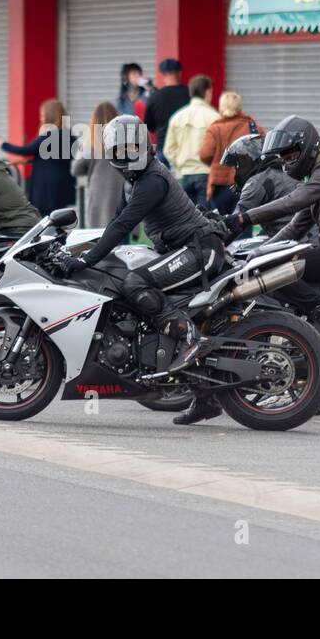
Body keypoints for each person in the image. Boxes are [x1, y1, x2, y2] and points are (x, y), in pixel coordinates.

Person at [53, 115, 228, 427]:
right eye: (120, 149)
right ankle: (205, 397)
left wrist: (86, 260)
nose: (126, 154)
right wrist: (73, 249)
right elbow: (114, 222)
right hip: (181, 250)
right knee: (122, 276)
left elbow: (122, 226)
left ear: (145, 144)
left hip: (198, 250)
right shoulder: (132, 182)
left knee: (135, 282)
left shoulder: (152, 180)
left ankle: (189, 338)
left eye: (132, 146)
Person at [224, 116, 320, 284]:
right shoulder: (314, 180)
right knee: (267, 263)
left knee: (280, 271)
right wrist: (258, 253)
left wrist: (244, 217)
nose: (287, 164)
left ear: (307, 147)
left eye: (291, 157)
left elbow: (292, 201)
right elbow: (294, 229)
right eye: (284, 159)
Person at [0, 98, 76, 216]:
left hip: (46, 187)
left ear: (50, 116)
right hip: (63, 185)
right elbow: (55, 158)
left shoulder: (49, 136)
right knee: (59, 218)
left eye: (42, 115)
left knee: (45, 220)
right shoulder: (69, 136)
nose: (41, 118)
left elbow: (25, 150)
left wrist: (1, 144)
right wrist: (30, 161)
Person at [221, 133, 301, 237]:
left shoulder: (257, 182)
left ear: (250, 160)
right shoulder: (283, 173)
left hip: (293, 239)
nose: (236, 172)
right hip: (301, 235)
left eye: (237, 166)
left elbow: (235, 222)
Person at [200, 91, 262, 215]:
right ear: (239, 107)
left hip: (219, 186)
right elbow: (262, 150)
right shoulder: (252, 126)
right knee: (244, 222)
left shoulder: (215, 128)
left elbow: (205, 154)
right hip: (246, 184)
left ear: (221, 106)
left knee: (220, 226)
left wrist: (217, 162)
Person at [163, 75, 221, 208]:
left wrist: (181, 164)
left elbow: (168, 150)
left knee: (187, 220)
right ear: (207, 92)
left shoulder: (177, 117)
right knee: (205, 220)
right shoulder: (214, 117)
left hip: (184, 175)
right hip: (206, 175)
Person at [72, 101, 121, 228]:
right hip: (122, 195)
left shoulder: (91, 144)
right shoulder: (124, 142)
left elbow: (76, 169)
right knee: (122, 238)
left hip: (99, 195)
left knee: (99, 237)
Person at [142, 58, 189, 164]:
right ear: (180, 72)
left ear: (163, 74)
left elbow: (148, 126)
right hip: (186, 149)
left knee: (164, 180)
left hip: (163, 148)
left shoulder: (155, 97)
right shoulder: (190, 94)